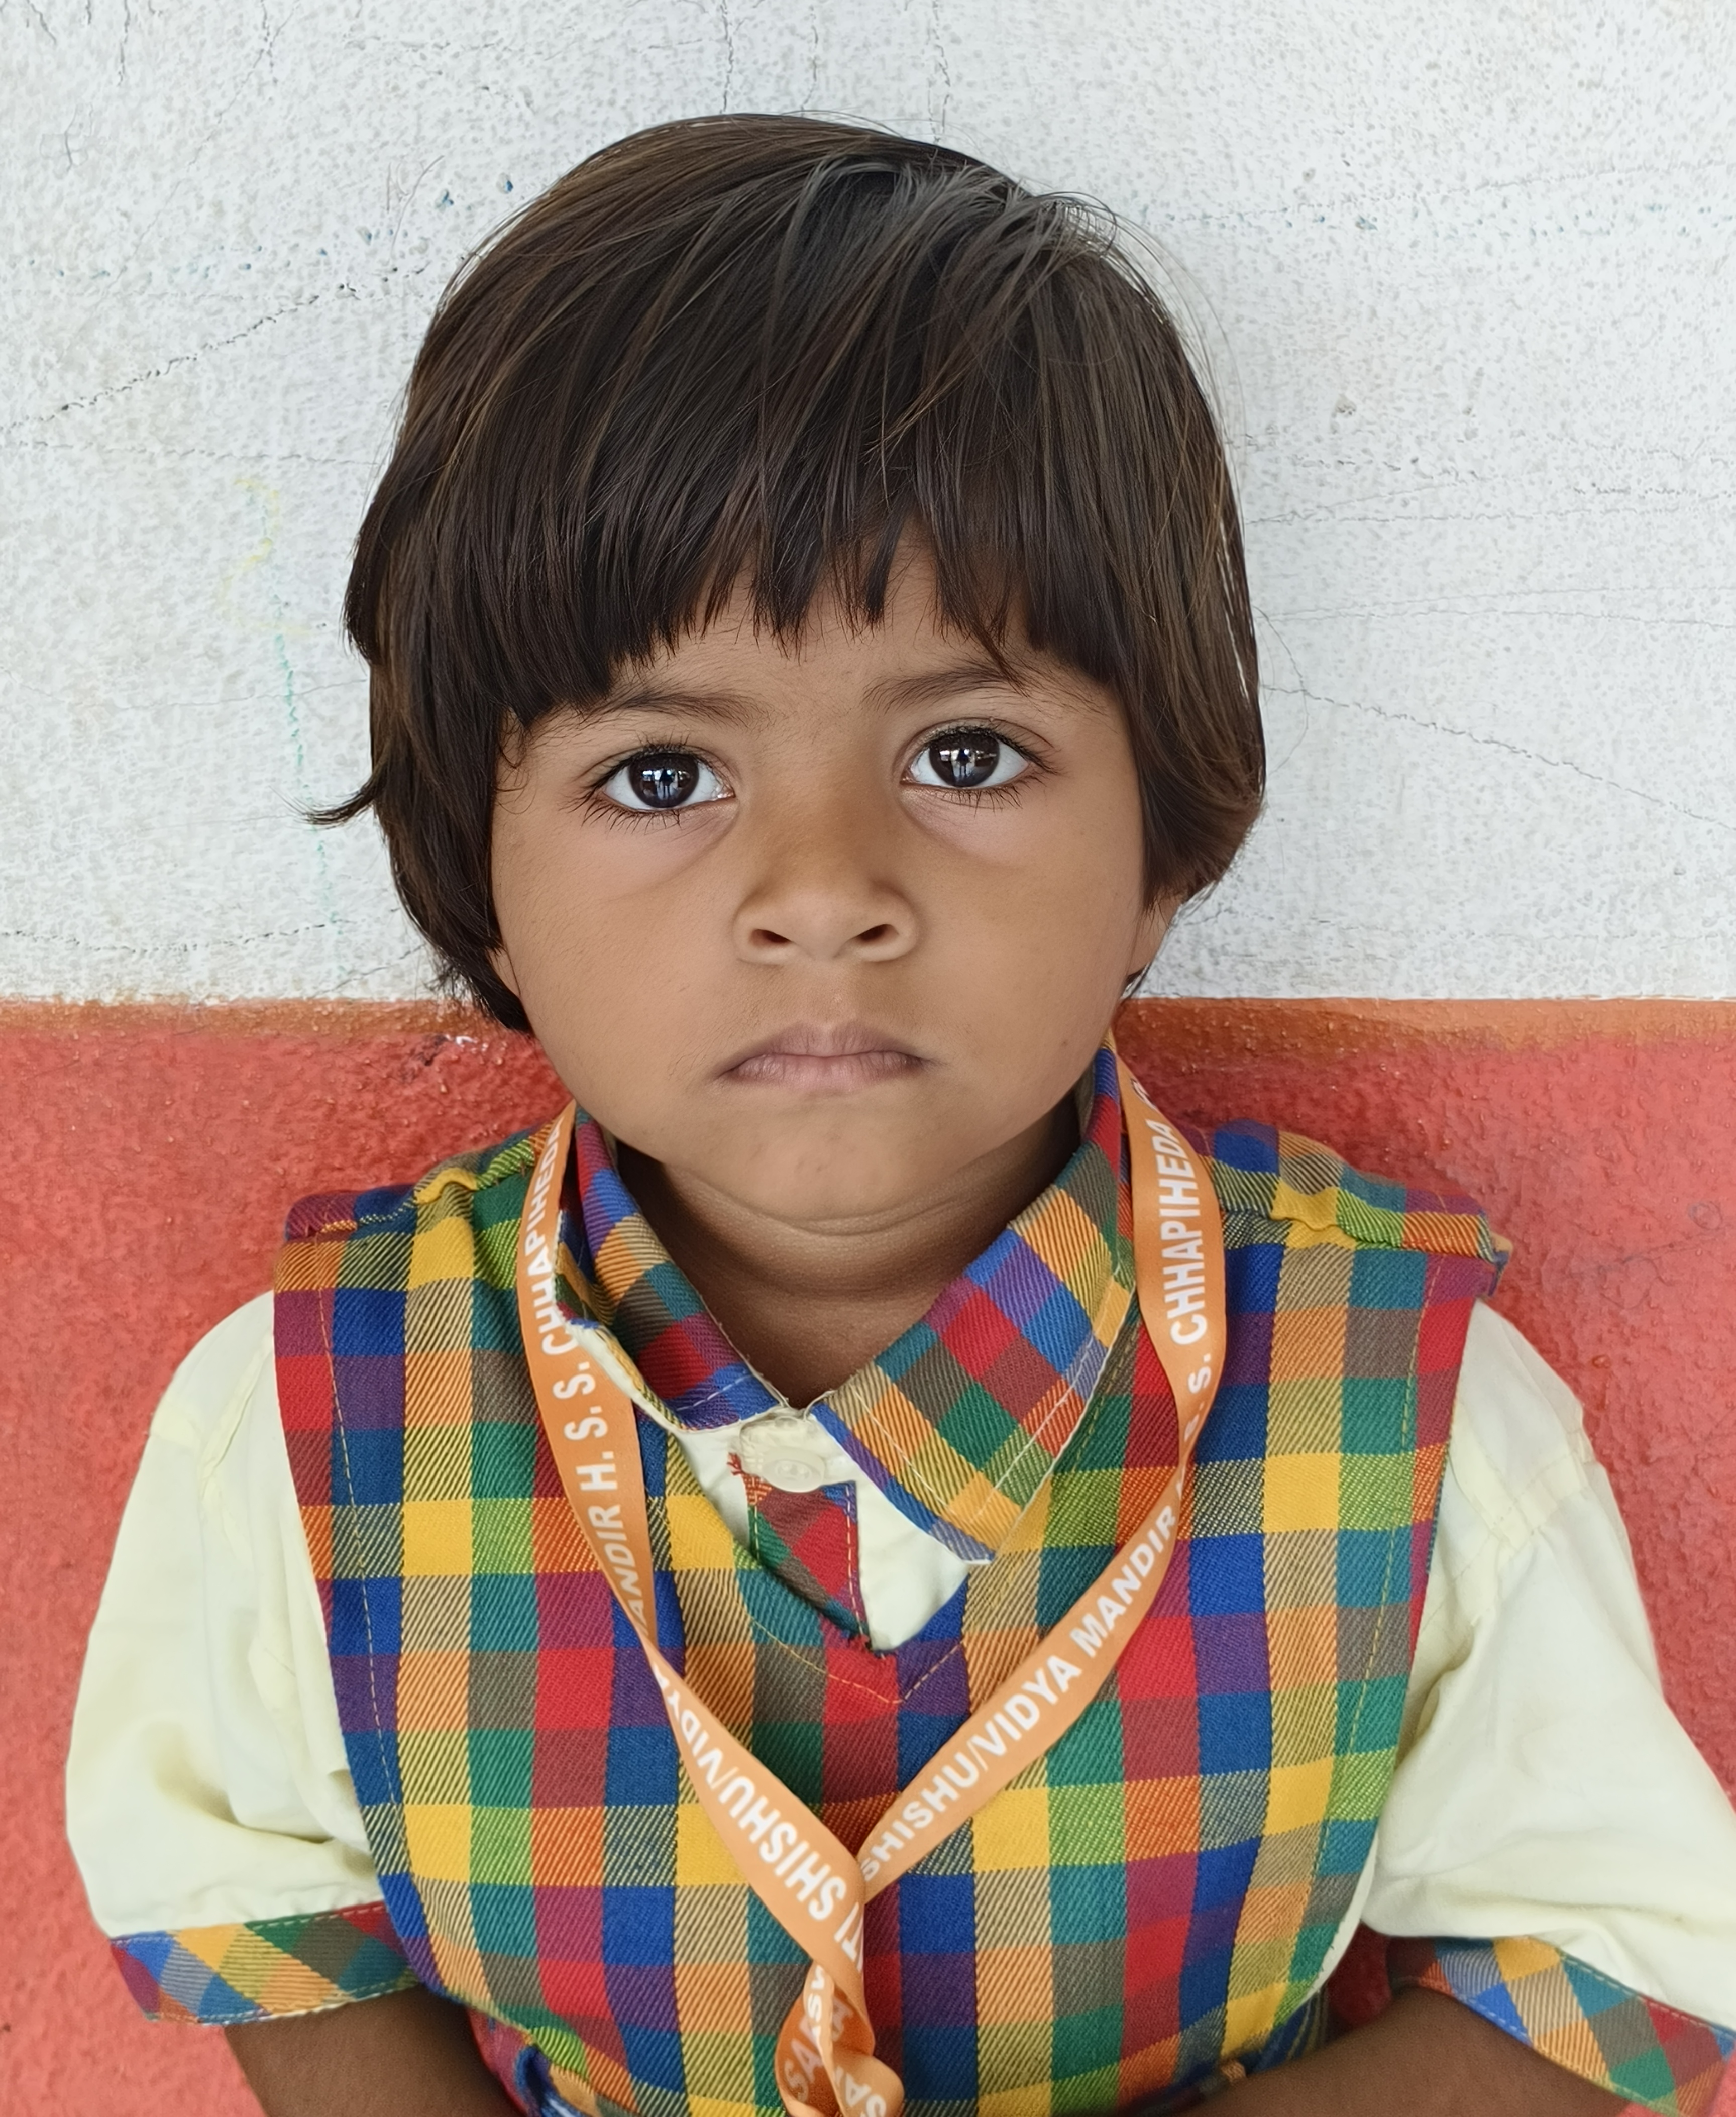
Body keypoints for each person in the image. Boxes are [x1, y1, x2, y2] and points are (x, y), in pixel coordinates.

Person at [67, 117, 1736, 2117]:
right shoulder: (311, 1424)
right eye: (662, 775)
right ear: (476, 869)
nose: (824, 889)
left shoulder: (1406, 1410)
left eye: (965, 752)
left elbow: (1607, 1967)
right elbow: (270, 1905)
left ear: (1164, 844)